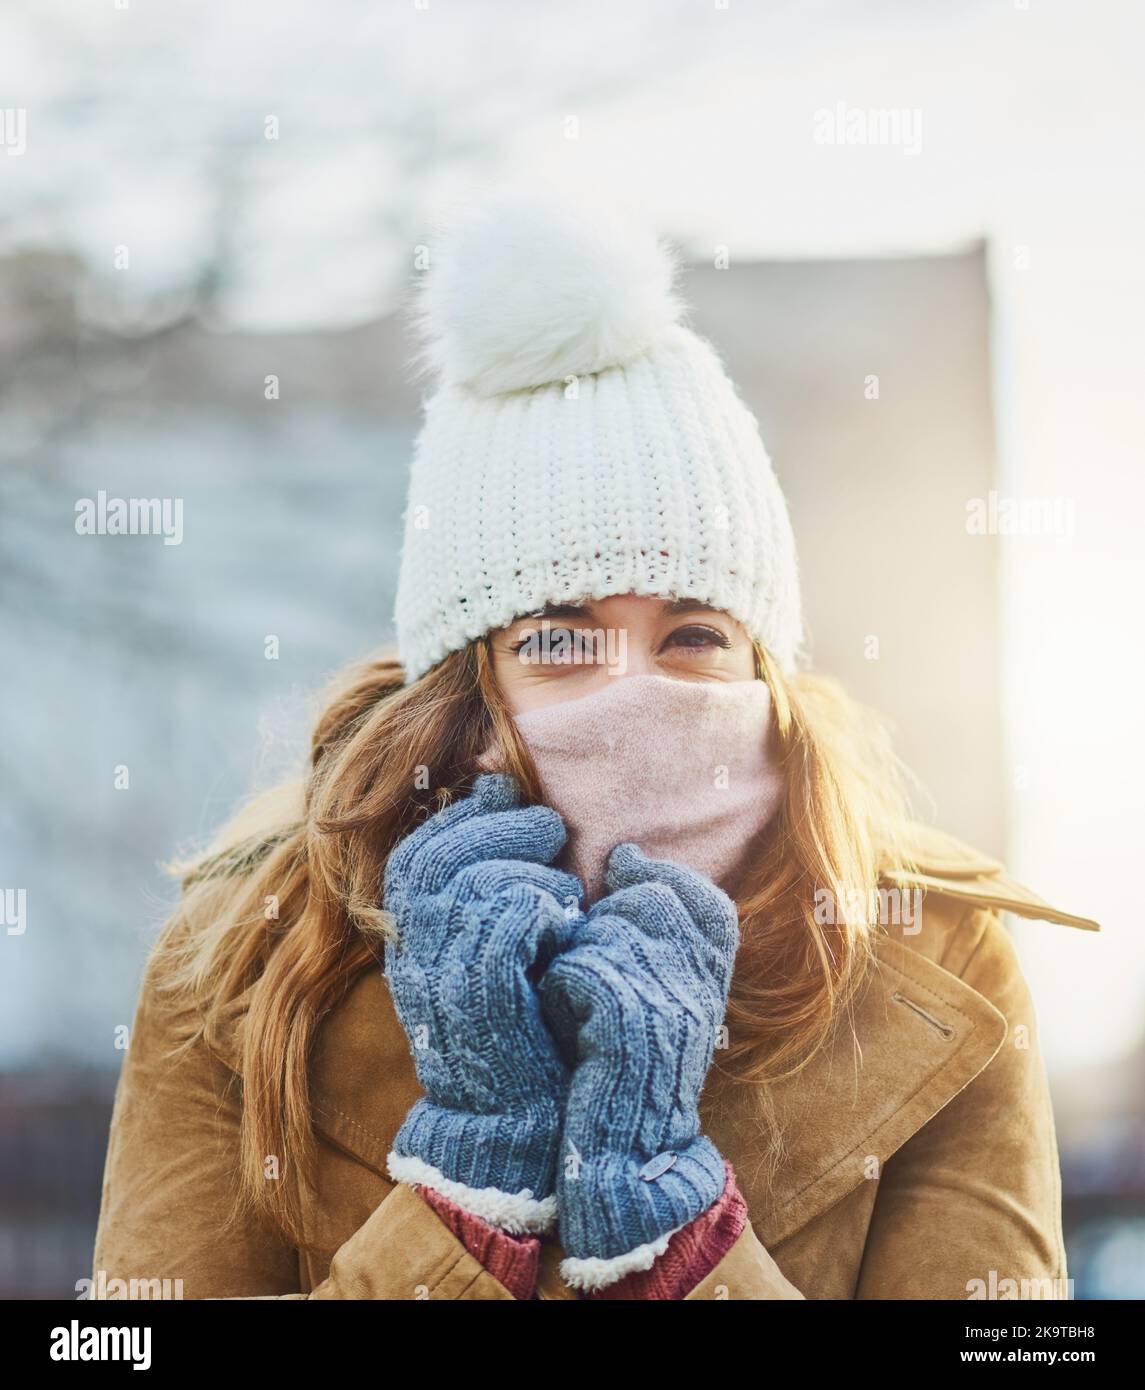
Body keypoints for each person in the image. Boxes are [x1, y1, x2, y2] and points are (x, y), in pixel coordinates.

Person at [92, 192, 1099, 1300]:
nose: (632, 693)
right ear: (463, 678)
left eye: (694, 634)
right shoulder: (244, 954)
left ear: (761, 665)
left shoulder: (936, 958)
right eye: (560, 637)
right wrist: (461, 1206)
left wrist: (678, 1242)